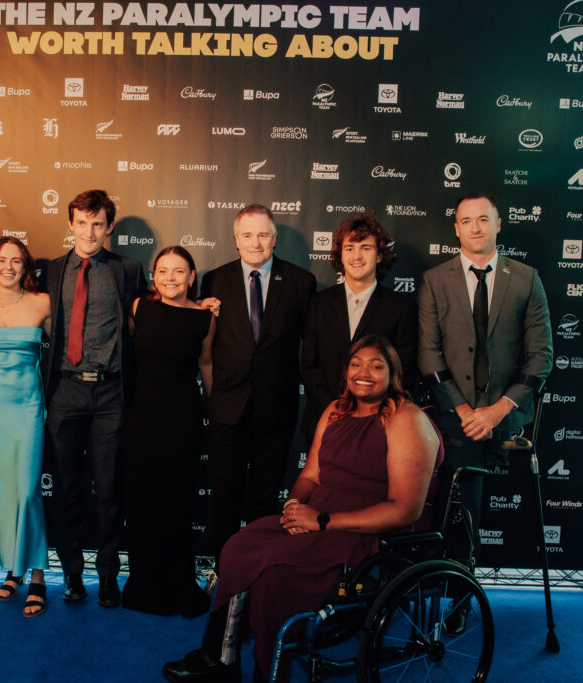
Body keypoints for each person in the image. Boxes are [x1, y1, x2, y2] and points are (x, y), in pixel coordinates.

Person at [163, 335, 443, 682]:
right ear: (345, 372)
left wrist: (322, 521)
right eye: (356, 363)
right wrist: (295, 507)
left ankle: (268, 672)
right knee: (238, 546)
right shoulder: (335, 411)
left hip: (368, 534)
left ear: (393, 373)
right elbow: (310, 476)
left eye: (376, 365)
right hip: (317, 517)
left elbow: (404, 511)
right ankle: (221, 658)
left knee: (274, 572)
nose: (364, 372)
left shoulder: (404, 418)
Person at [417, 193, 552, 567]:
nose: (475, 227)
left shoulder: (526, 279)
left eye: (483, 219)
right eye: (466, 220)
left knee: (482, 506)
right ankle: (457, 584)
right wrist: (463, 409)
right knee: (456, 504)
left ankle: (464, 585)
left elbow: (541, 356)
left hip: (505, 419)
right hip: (454, 418)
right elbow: (428, 354)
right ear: (456, 228)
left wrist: (496, 411)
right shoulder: (433, 280)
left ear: (498, 224)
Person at [43, 189, 147, 607]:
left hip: (109, 392)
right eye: (81, 223)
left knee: (108, 491)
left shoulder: (129, 269)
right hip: (65, 390)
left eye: (97, 224)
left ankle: (107, 574)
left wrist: (201, 305)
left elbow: (156, 311)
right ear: (70, 224)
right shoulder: (50, 270)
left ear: (109, 228)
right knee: (66, 488)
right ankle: (71, 573)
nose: (89, 231)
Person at [198, 204, 316, 561]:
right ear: (235, 240)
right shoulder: (214, 280)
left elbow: (311, 346)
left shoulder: (300, 282)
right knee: (225, 496)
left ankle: (258, 574)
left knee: (265, 500)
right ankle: (224, 570)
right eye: (247, 235)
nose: (255, 242)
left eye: (263, 234)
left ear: (275, 238)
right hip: (227, 408)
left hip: (276, 410)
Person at [121, 246, 216, 618]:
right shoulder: (138, 309)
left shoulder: (206, 318)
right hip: (140, 416)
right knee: (142, 501)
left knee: (177, 503)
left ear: (192, 276)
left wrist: (217, 412)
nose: (171, 278)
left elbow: (207, 367)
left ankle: (178, 583)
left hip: (182, 420)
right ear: (153, 275)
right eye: (164, 271)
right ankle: (144, 584)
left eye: (179, 271)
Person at [0, 236, 51, 617]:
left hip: (28, 407)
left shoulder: (43, 303)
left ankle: (37, 576)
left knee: (26, 491)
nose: (8, 267)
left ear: (26, 267)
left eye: (16, 261)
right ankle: (13, 569)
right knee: (3, 491)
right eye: (2, 260)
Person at [302, 213, 417, 436]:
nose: (357, 256)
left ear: (380, 256)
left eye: (366, 248)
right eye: (349, 248)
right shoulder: (318, 303)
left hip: (378, 425)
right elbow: (310, 366)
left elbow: (404, 371)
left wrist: (369, 413)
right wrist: (335, 411)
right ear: (340, 255)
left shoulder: (401, 308)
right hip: (326, 421)